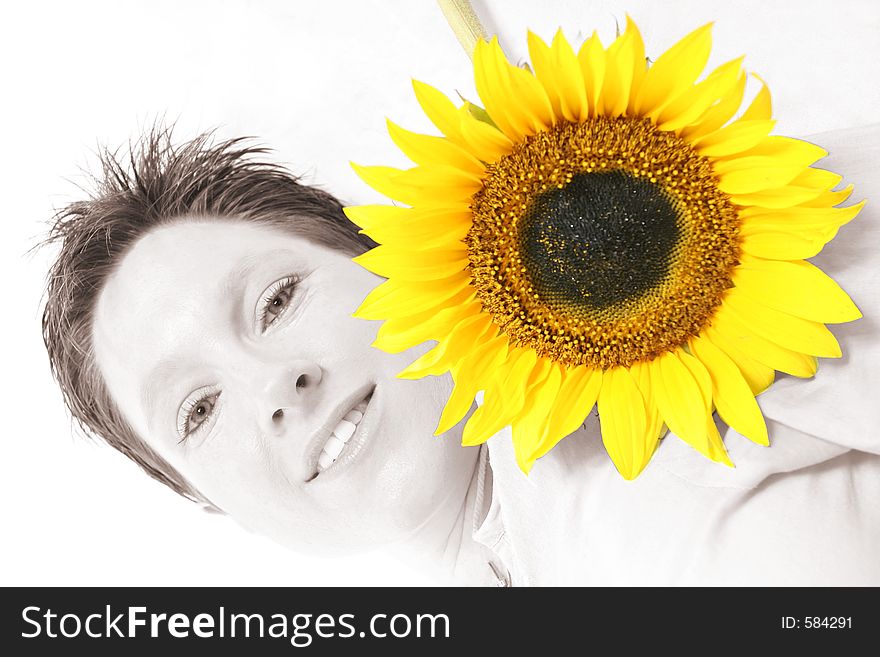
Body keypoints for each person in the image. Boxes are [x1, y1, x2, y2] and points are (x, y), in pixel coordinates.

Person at [42, 125, 880, 586]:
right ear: (205, 499)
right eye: (196, 408)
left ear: (391, 264)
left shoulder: (682, 332)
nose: (273, 386)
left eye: (277, 299)